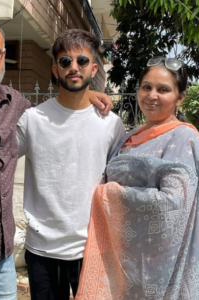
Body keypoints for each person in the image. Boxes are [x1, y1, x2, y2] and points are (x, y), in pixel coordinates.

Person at [0, 20, 113, 300]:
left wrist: (87, 93)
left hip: (0, 259)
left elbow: (61, 110)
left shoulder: (16, 105)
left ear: (3, 56)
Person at [76, 57, 199, 300]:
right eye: (146, 87)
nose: (152, 95)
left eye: (163, 90)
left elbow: (174, 204)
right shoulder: (130, 135)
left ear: (180, 97)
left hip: (160, 265)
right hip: (122, 258)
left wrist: (110, 195)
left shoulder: (184, 138)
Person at [16, 28, 126, 300]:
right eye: (65, 61)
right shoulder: (33, 119)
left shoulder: (111, 124)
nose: (73, 67)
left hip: (92, 247)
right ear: (55, 69)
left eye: (82, 61)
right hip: (42, 249)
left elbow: (121, 182)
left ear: (94, 68)